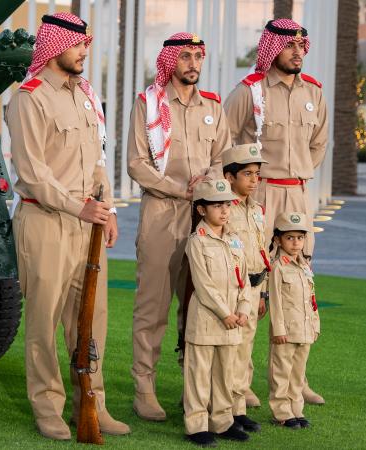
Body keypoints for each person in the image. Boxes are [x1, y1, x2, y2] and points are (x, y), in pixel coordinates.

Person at [5, 12, 129, 440]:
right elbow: (33, 171)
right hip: (45, 221)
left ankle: (92, 403)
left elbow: (98, 162)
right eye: (78, 44)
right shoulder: (29, 97)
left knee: (92, 321)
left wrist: (108, 209)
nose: (84, 51)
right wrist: (81, 208)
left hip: (87, 224)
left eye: (86, 43)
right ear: (56, 46)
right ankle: (48, 407)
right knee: (44, 321)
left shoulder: (84, 96)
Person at [126, 32, 230, 422]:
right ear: (171, 60)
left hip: (203, 216)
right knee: (153, 306)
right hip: (161, 213)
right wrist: (177, 188)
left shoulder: (213, 106)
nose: (193, 63)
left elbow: (222, 157)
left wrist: (206, 189)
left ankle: (196, 387)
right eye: (185, 56)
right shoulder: (148, 103)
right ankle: (144, 388)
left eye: (198, 57)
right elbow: (137, 163)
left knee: (200, 304)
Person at [224, 18, 328, 405]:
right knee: (251, 290)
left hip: (298, 196)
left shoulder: (314, 92)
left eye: (302, 45)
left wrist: (301, 173)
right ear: (272, 48)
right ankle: (241, 382)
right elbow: (225, 141)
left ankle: (294, 383)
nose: (298, 51)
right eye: (289, 45)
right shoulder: (248, 92)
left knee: (296, 289)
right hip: (259, 196)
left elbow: (319, 143)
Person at [183, 179, 252, 446]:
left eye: (227, 205)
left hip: (233, 321)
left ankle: (222, 421)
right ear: (201, 210)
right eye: (216, 206)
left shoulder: (235, 240)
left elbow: (243, 280)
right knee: (199, 376)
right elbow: (203, 285)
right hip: (207, 320)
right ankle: (197, 425)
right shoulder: (197, 242)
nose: (224, 211)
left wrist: (243, 308)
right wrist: (225, 313)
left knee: (226, 375)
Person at [223, 142, 269, 420]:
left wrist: (262, 295)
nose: (254, 180)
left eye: (257, 174)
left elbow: (261, 250)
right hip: (233, 290)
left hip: (254, 287)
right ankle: (223, 409)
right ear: (229, 177)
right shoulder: (223, 208)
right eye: (247, 174)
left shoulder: (256, 209)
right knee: (230, 349)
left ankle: (237, 409)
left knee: (245, 349)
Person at [267, 212, 320, 429]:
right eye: (290, 237)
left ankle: (296, 410)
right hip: (286, 331)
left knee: (298, 373)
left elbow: (311, 298)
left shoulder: (304, 266)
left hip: (304, 329)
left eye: (300, 237)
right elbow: (276, 301)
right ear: (278, 240)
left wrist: (315, 324)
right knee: (281, 372)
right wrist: (278, 329)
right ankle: (281, 412)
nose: (296, 242)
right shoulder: (278, 267)